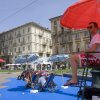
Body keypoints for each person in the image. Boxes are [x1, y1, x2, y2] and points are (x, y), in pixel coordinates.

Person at [64, 22, 100, 86]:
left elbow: (93, 49)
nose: (89, 29)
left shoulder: (97, 36)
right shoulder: (94, 38)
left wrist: (84, 52)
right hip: (94, 59)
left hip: (96, 60)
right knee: (74, 57)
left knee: (73, 57)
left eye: (91, 27)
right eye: (88, 27)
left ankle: (74, 79)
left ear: (96, 28)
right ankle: (74, 79)